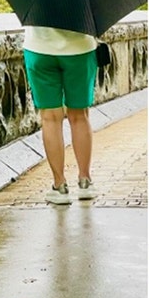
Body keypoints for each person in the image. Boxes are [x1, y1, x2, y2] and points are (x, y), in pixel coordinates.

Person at [22, 26, 98, 204]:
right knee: (80, 116)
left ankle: (60, 185)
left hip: (39, 49)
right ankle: (85, 181)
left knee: (50, 118)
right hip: (80, 49)